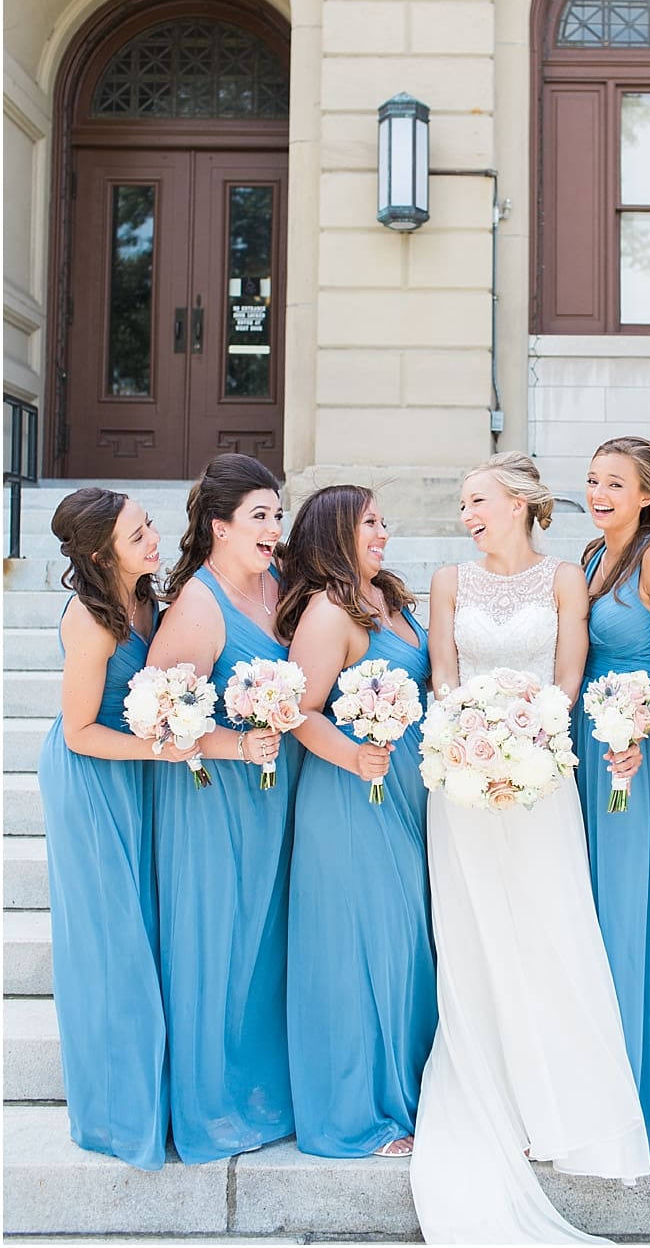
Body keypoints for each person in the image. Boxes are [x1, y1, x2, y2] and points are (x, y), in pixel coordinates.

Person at [411, 453, 649, 1243]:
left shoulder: (564, 579)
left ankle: (562, 1104)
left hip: (543, 774)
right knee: (475, 935)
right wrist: (471, 742)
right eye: (461, 502)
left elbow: (567, 681)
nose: (465, 513)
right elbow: (442, 678)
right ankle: (492, 1094)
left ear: (518, 503)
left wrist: (528, 742)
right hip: (459, 783)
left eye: (475, 499)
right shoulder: (448, 579)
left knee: (548, 926)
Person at [277, 485, 437, 1158]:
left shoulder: (391, 599)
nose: (383, 532)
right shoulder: (326, 611)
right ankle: (352, 1115)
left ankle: (403, 1092)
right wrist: (355, 756)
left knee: (402, 946)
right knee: (356, 951)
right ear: (335, 533)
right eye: (370, 522)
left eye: (382, 520)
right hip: (349, 799)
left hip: (406, 795)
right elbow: (299, 710)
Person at [147, 453, 295, 1163]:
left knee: (265, 942)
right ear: (220, 527)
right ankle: (210, 1108)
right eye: (260, 516)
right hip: (211, 804)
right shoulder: (197, 608)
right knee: (217, 945)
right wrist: (236, 745)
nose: (274, 527)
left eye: (276, 514)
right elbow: (155, 723)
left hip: (274, 797)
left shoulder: (280, 584)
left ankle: (264, 1093)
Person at [39, 487, 169, 1169]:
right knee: (111, 946)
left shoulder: (151, 599)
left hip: (137, 772)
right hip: (92, 782)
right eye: (137, 534)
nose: (153, 538)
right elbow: (81, 731)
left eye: (149, 525)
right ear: (98, 554)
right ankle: (117, 1117)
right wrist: (166, 748)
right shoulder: (92, 623)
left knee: (143, 934)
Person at [575, 436, 650, 1161]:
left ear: (646, 494)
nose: (600, 494)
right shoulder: (591, 556)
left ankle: (633, 1098)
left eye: (615, 484)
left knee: (624, 910)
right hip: (585, 747)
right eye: (592, 481)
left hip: (633, 754)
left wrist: (638, 725)